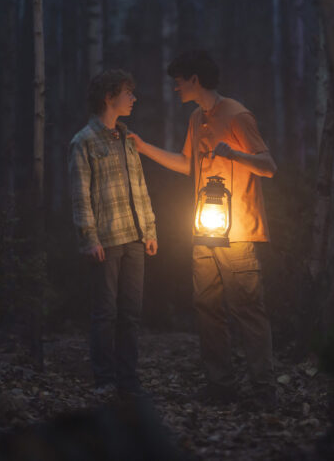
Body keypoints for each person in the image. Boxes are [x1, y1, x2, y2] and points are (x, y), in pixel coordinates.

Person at [128, 50, 277, 406]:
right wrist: (144, 148)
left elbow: (268, 166)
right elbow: (186, 163)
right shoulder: (197, 118)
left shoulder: (237, 115)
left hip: (238, 233)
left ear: (195, 79)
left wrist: (234, 155)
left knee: (246, 309)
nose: (176, 87)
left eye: (179, 80)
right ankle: (219, 385)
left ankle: (263, 390)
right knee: (207, 307)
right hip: (204, 230)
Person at [69, 69, 158, 399]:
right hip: (106, 241)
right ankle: (105, 379)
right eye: (127, 93)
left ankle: (128, 379)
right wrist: (88, 238)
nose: (133, 99)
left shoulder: (128, 140)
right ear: (109, 97)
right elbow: (80, 195)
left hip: (134, 238)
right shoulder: (83, 143)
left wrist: (149, 229)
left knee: (131, 314)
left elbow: (140, 188)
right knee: (105, 313)